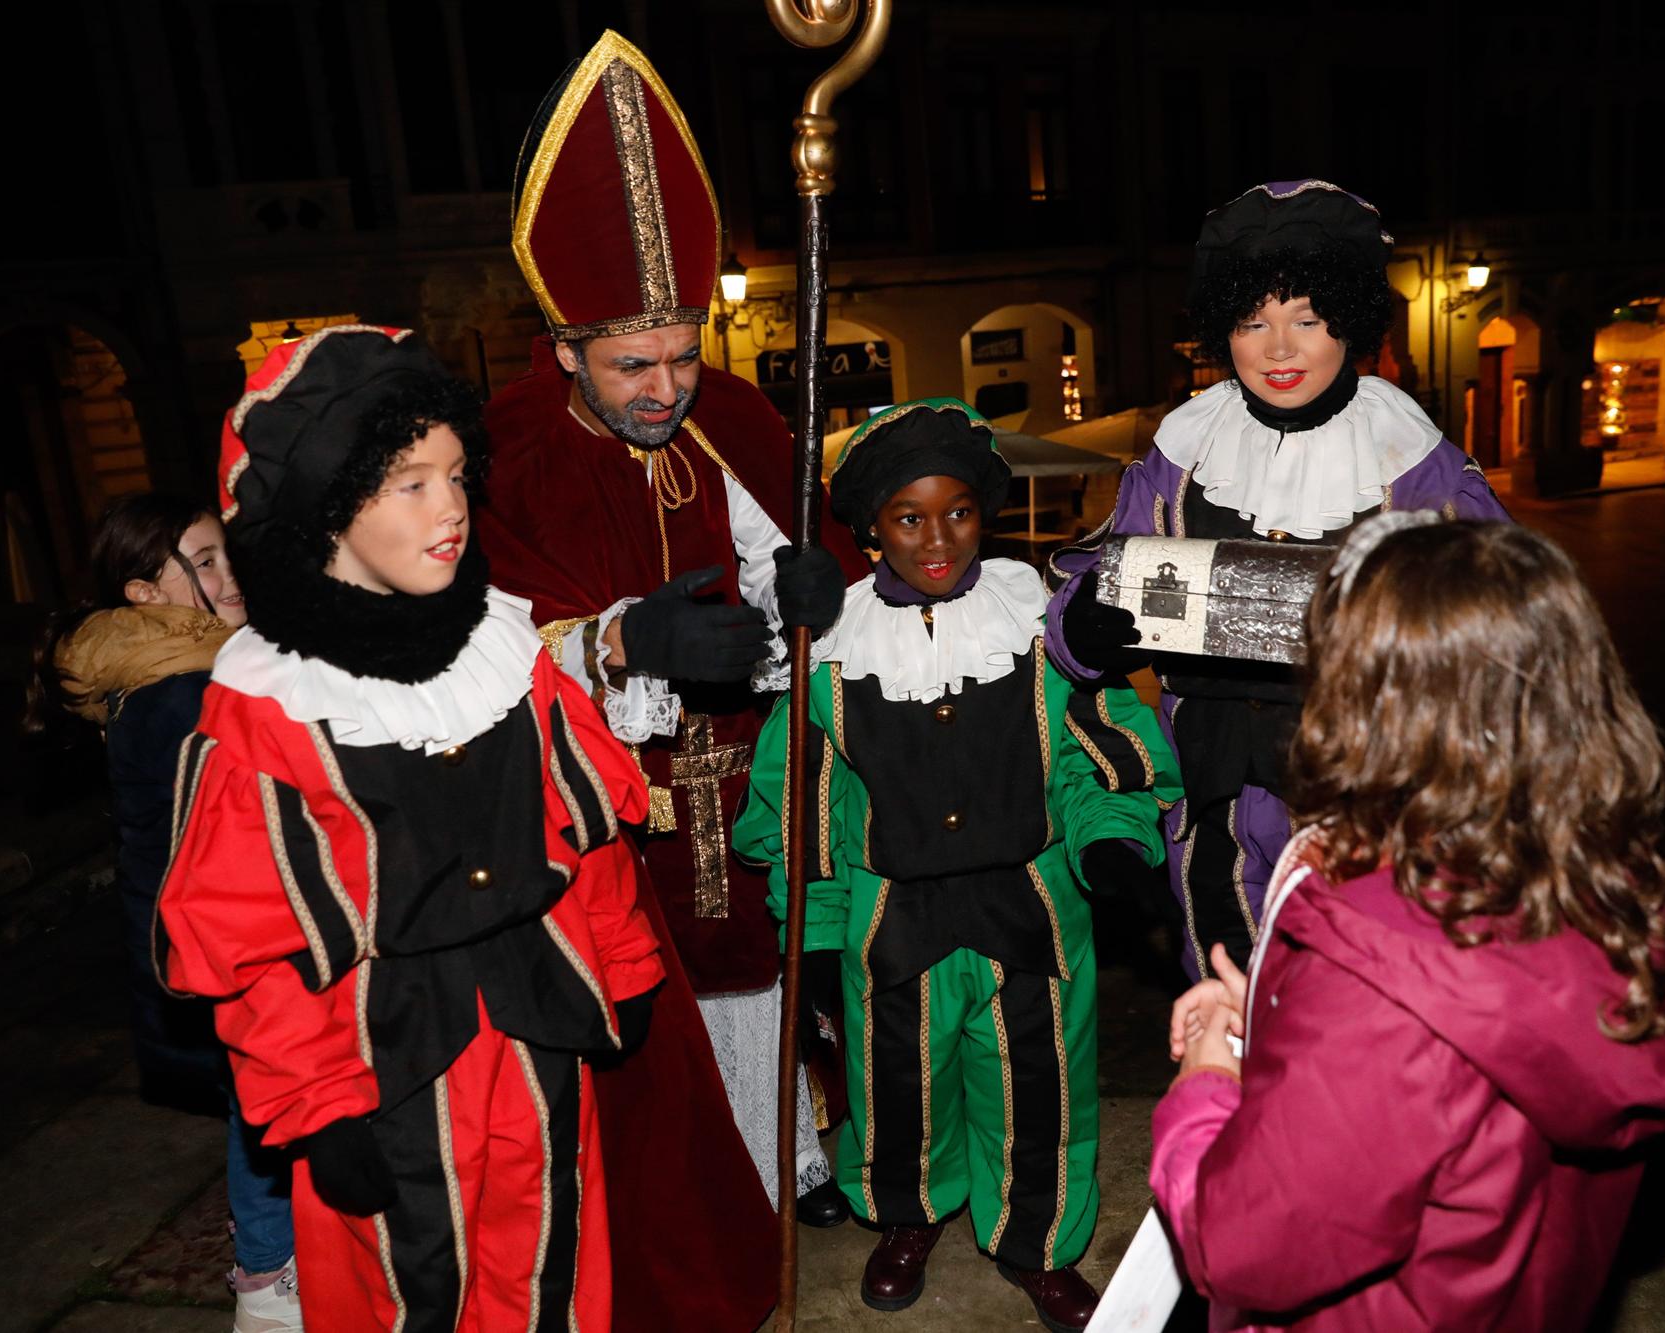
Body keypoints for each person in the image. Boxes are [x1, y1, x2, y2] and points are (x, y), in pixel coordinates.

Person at [155, 325, 667, 1331]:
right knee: (404, 1293)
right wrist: (310, 1100)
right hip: (373, 1061)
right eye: (407, 482)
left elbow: (587, 832)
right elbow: (248, 934)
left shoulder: (508, 653)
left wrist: (627, 963)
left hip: (534, 1028)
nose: (450, 510)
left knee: (549, 1272)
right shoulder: (269, 707)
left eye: (453, 475)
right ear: (325, 511)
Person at [477, 31, 863, 1316]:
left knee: (760, 965)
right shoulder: (512, 453)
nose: (667, 387)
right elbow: (480, 652)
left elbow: (808, 563)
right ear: (567, 344)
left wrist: (814, 590)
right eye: (633, 365)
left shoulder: (739, 416)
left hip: (746, 776)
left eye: (684, 354)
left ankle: (789, 1158)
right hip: (607, 805)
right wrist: (622, 640)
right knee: (659, 1036)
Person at [1150, 515, 1665, 1330]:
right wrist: (1286, 1020)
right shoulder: (1595, 882)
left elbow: (1246, 1245)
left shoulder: (1379, 972)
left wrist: (1207, 1086)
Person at [734, 400, 1182, 1333]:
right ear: (868, 529)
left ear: (985, 511)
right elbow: (803, 801)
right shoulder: (832, 652)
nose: (938, 538)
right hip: (889, 916)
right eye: (909, 516)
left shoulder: (1039, 626)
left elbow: (1093, 747)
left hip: (1033, 908)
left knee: (1041, 1088)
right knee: (896, 1087)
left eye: (960, 511)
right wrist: (812, 930)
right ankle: (907, 1217)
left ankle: (1039, 1245)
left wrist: (1113, 840)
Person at [1044, 179, 1509, 980]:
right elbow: (1094, 581)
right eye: (1253, 321)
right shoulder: (1184, 454)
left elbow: (1508, 624)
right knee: (1231, 1024)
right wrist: (1083, 625)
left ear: (1350, 322)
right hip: (1214, 801)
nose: (1279, 349)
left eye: (1306, 318)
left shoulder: (1417, 466)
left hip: (1369, 811)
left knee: (1360, 1031)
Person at [31, 494, 299, 1333]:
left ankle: (270, 1264)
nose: (229, 574)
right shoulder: (182, 689)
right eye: (205, 562)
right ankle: (266, 1281)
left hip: (196, 943)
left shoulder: (171, 666)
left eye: (226, 555)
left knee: (257, 1101)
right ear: (147, 593)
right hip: (217, 944)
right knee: (265, 1103)